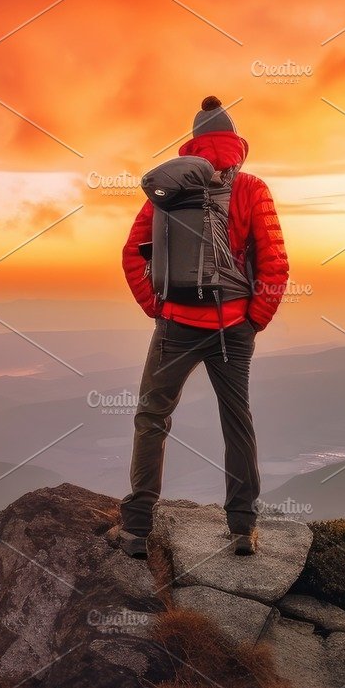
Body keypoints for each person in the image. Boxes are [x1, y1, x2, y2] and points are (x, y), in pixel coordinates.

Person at [109, 97, 288, 559]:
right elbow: (275, 262)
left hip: (175, 327)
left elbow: (133, 252)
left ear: (192, 145)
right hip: (233, 327)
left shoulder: (168, 191)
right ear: (236, 145)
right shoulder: (252, 188)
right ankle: (242, 529)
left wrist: (157, 307)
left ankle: (136, 529)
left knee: (152, 418)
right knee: (237, 422)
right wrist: (255, 318)